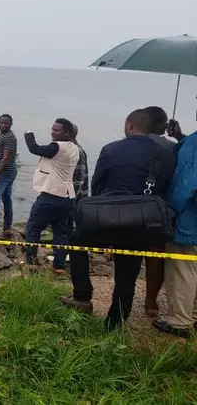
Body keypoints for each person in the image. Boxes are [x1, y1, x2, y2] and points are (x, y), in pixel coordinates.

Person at [61, 109, 175, 330]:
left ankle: (82, 295)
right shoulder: (166, 154)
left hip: (107, 221)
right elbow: (164, 190)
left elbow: (98, 186)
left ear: (130, 125)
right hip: (141, 224)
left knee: (76, 242)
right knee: (127, 276)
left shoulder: (111, 149)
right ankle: (114, 324)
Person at [153, 118, 197, 338]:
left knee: (182, 270)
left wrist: (169, 211)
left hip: (189, 222)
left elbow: (186, 183)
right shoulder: (192, 140)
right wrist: (180, 137)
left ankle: (179, 321)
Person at [23, 118, 79, 273]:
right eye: (52, 129)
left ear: (67, 132)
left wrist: (28, 135)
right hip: (68, 197)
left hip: (51, 196)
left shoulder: (57, 147)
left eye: (57, 130)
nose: (53, 132)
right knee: (61, 232)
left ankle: (32, 262)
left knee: (33, 228)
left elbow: (34, 148)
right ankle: (58, 266)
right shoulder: (74, 148)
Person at [143, 106, 176, 317]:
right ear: (163, 126)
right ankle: (150, 300)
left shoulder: (130, 144)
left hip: (132, 206)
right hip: (161, 208)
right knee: (156, 257)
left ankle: (123, 296)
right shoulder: (173, 147)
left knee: (130, 253)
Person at [0, 114, 18, 235]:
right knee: (6, 198)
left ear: (11, 124)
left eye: (6, 123)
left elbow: (6, 158)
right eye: (2, 122)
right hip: (7, 171)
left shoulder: (9, 137)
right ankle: (7, 226)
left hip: (4, 172)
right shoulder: (4, 135)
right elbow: (2, 156)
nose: (3, 125)